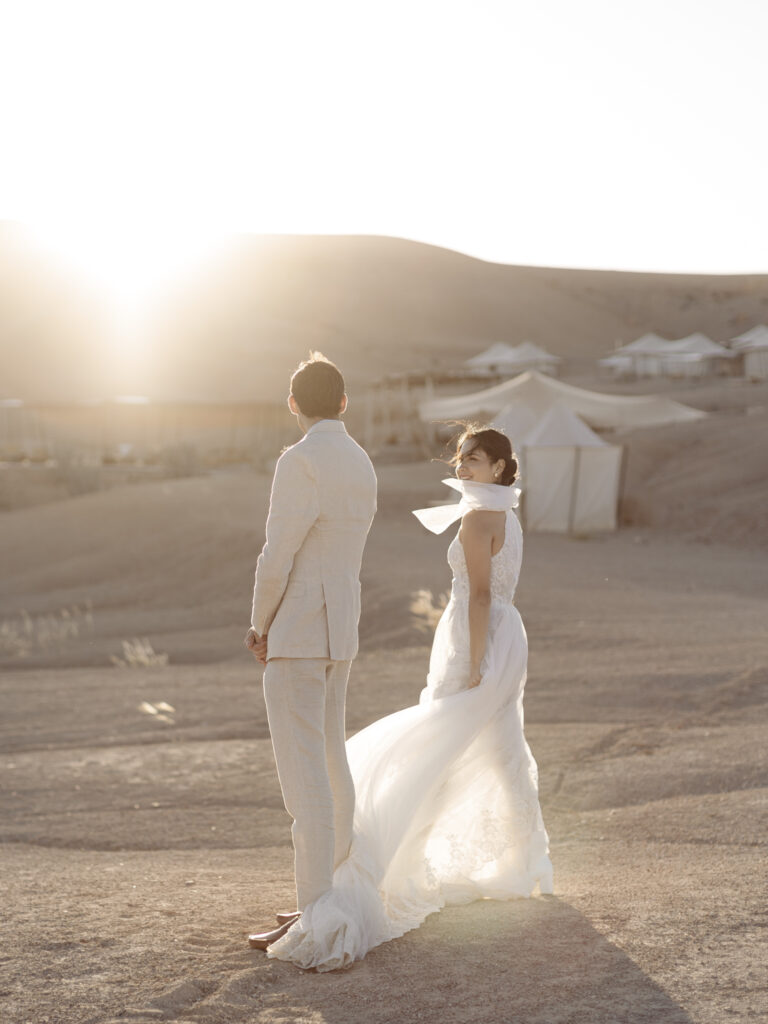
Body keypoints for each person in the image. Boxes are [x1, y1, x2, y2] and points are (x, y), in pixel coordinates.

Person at [263, 425, 553, 971]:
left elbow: (481, 593)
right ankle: (525, 864)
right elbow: (497, 594)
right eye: (461, 458)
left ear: (499, 466)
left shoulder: (477, 517)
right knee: (498, 744)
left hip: (480, 635)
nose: (463, 467)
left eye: (475, 460)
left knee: (438, 746)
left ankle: (386, 865)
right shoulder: (510, 514)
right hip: (508, 631)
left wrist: (471, 662)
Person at [244, 352, 377, 951]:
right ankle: (333, 894)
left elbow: (279, 553)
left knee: (305, 778)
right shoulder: (361, 460)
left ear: (293, 404)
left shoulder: (300, 461)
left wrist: (258, 623)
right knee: (331, 762)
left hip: (298, 629)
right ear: (344, 402)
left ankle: (316, 911)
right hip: (340, 626)